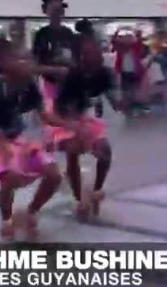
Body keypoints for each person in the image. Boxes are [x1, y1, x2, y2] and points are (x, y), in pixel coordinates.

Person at [0, 37, 63, 240]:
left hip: (19, 137)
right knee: (9, 177)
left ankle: (31, 212)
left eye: (25, 60)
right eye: (20, 60)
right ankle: (7, 221)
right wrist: (7, 154)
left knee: (54, 175)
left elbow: (44, 115)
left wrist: (67, 126)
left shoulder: (29, 85)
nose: (25, 64)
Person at [49, 33, 122, 220]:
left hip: (82, 117)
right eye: (87, 52)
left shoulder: (105, 73)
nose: (93, 54)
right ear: (80, 56)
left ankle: (96, 191)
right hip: (64, 117)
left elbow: (116, 100)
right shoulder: (73, 75)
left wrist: (124, 100)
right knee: (73, 150)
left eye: (95, 49)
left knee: (104, 150)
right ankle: (79, 199)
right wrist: (77, 130)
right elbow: (61, 108)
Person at [32, 0, 78, 116]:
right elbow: (36, 63)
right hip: (49, 83)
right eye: (53, 10)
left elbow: (75, 58)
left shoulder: (68, 33)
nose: (57, 13)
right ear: (46, 11)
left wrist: (71, 67)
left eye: (59, 10)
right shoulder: (42, 34)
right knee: (52, 114)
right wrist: (54, 70)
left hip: (69, 83)